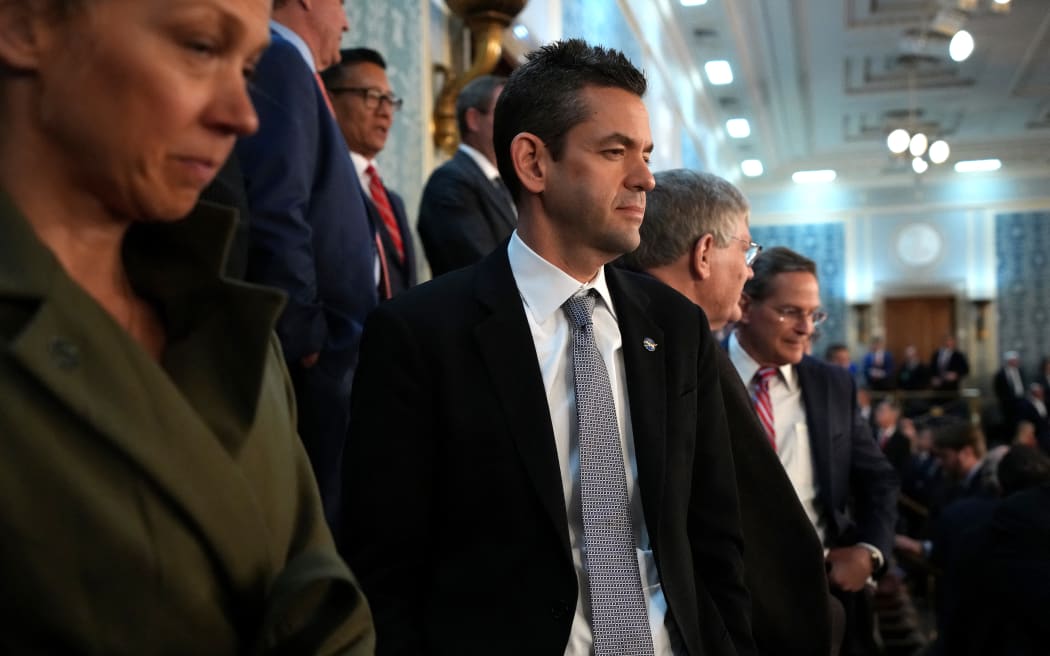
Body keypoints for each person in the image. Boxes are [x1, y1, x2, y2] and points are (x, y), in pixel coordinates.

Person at [343, 40, 754, 656]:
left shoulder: (676, 327)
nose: (644, 178)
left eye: (644, 154)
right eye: (614, 152)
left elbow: (714, 535)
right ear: (534, 163)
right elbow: (385, 568)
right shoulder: (421, 335)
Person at [0, 0, 373, 652]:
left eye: (251, 67)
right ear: (26, 24)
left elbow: (327, 601)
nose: (243, 115)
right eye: (200, 46)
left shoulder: (230, 330)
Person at [620, 168, 839, 656]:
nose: (748, 271)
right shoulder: (680, 346)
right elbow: (734, 531)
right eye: (746, 250)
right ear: (703, 254)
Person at [235, 0, 377, 531]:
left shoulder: (296, 70)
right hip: (312, 358)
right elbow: (277, 204)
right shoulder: (280, 60)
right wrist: (305, 334)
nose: (345, 21)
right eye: (340, 4)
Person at [727, 247, 899, 656]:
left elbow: (878, 478)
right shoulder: (700, 374)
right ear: (745, 305)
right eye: (790, 312)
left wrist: (869, 552)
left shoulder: (833, 383)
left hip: (826, 587)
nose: (807, 328)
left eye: (814, 314)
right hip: (732, 597)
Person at [322, 47, 416, 297]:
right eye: (372, 96)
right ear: (329, 101)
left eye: (390, 100)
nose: (385, 112)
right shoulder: (319, 187)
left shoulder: (392, 201)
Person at [417, 74, 517, 276]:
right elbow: (478, 266)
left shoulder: (504, 183)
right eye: (505, 113)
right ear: (473, 119)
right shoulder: (450, 182)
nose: (515, 124)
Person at [993, 350, 1026, 436]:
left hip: (1021, 400)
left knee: (1020, 421)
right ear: (1009, 361)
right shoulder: (1000, 374)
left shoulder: (1020, 371)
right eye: (1014, 360)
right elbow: (997, 389)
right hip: (1007, 403)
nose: (1016, 362)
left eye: (1016, 360)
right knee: (1009, 423)